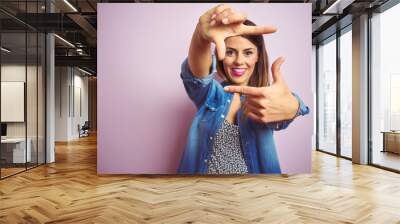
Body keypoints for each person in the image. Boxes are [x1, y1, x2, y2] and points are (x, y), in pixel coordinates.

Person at [177, 4, 309, 174]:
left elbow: (290, 105)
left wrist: (294, 106)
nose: (239, 61)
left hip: (253, 193)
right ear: (221, 55)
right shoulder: (211, 94)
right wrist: (200, 37)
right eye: (231, 52)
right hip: (204, 193)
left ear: (257, 56)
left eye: (247, 53)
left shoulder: (266, 99)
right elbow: (197, 76)